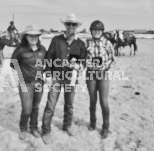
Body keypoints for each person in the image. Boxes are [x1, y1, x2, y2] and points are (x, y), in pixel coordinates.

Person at [41, 13, 86, 144]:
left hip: (71, 79)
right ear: (65, 25)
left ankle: (67, 125)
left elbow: (83, 61)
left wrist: (79, 66)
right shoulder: (56, 40)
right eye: (68, 24)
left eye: (73, 24)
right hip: (56, 77)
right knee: (50, 105)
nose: (71, 26)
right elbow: (49, 57)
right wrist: (48, 74)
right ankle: (46, 130)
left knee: (69, 105)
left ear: (76, 26)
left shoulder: (81, 44)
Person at [10, 25, 46, 140]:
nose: (34, 37)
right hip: (25, 83)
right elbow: (13, 63)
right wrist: (23, 74)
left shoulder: (43, 49)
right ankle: (23, 128)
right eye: (31, 35)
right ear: (26, 36)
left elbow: (48, 63)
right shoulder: (20, 50)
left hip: (39, 83)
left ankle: (34, 128)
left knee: (35, 107)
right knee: (26, 109)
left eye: (36, 35)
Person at [85, 20, 115, 139]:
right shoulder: (86, 42)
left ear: (102, 31)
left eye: (99, 30)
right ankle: (93, 122)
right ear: (91, 31)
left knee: (104, 102)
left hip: (103, 75)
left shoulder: (107, 43)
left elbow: (112, 59)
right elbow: (83, 57)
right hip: (91, 74)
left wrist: (104, 66)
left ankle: (105, 127)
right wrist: (89, 65)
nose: (96, 32)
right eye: (94, 30)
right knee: (93, 100)